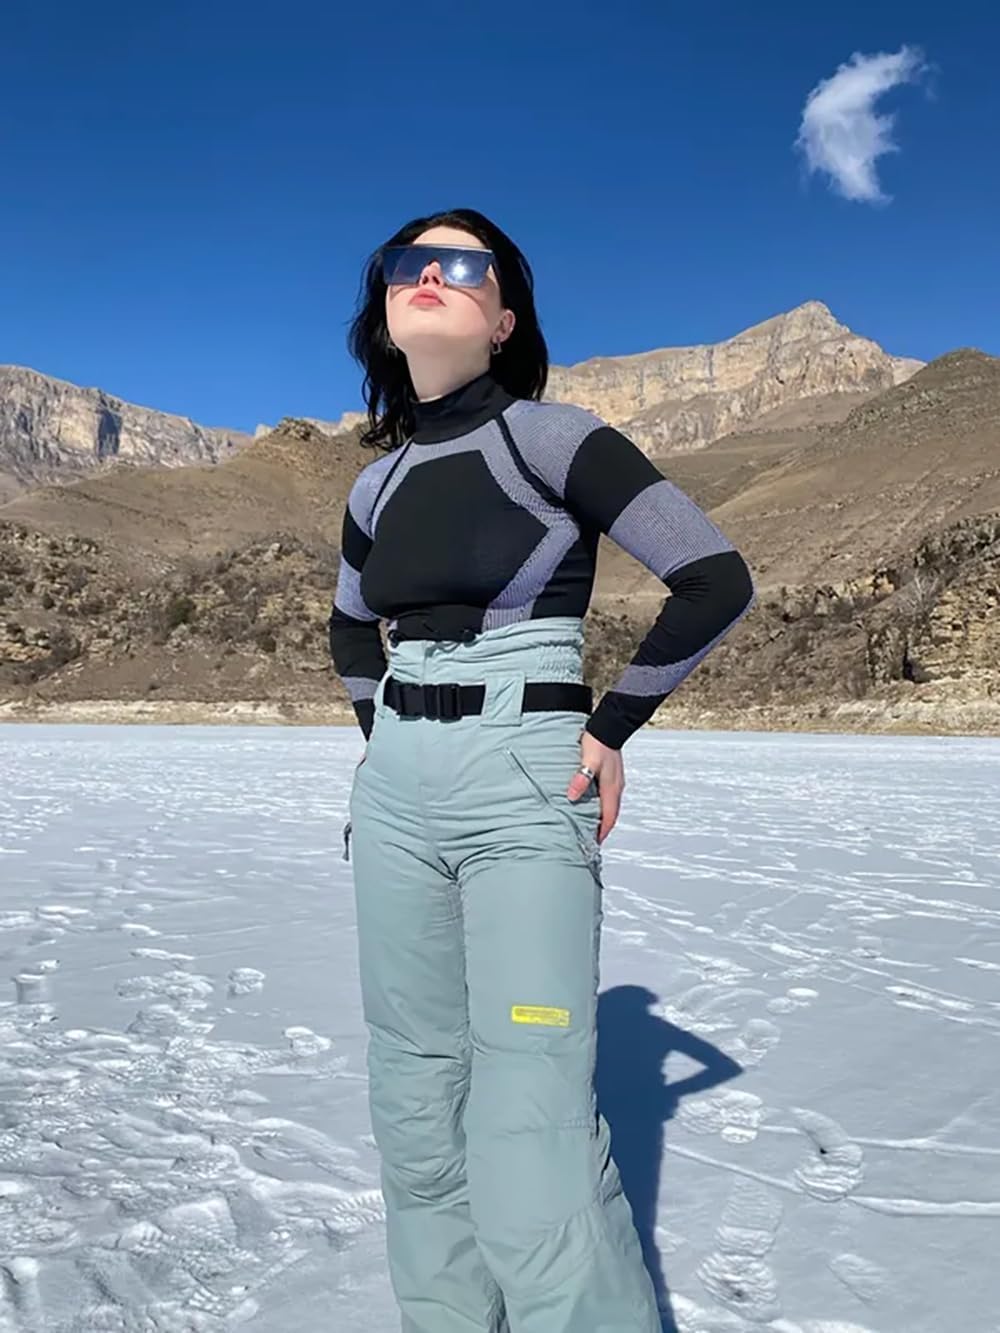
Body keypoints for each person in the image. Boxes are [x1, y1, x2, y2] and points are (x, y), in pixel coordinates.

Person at [328, 206, 754, 1333]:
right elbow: (348, 629)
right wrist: (386, 742)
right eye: (406, 262)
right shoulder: (374, 487)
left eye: (459, 263)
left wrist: (609, 727)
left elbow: (713, 578)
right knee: (414, 1104)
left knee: (532, 1132)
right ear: (384, 304)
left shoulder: (553, 441)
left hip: (523, 779)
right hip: (397, 791)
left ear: (505, 317)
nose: (427, 275)